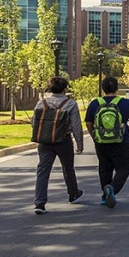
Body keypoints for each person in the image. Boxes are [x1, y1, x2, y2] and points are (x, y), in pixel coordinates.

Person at [85, 75, 129, 209]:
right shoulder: (125, 103)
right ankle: (113, 189)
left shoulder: (95, 103)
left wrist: (94, 136)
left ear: (103, 88)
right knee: (124, 167)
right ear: (117, 88)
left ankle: (105, 196)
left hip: (101, 141)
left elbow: (88, 122)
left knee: (105, 168)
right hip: (121, 141)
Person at [32, 76, 84, 214]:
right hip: (63, 140)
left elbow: (34, 123)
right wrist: (79, 143)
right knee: (68, 168)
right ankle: (73, 194)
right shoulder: (70, 103)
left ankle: (39, 202)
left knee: (43, 170)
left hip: (44, 141)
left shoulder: (41, 103)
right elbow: (76, 125)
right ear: (65, 89)